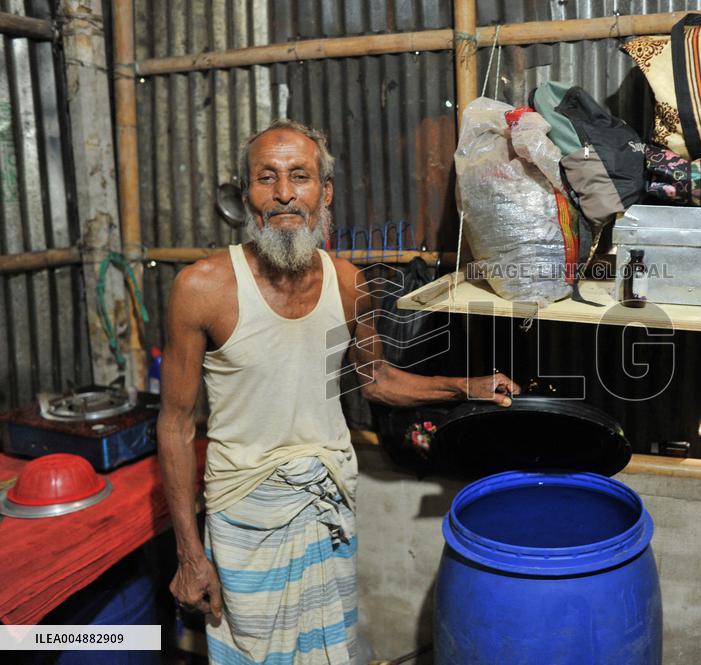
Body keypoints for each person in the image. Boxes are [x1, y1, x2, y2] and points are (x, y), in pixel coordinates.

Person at [157, 118, 520, 665]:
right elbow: (177, 424)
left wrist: (467, 386)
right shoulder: (201, 289)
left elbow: (376, 381)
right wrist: (189, 553)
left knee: (329, 651)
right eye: (266, 178)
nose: (283, 194)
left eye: (299, 176)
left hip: (326, 504)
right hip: (246, 513)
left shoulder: (350, 283)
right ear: (245, 194)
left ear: (324, 193)